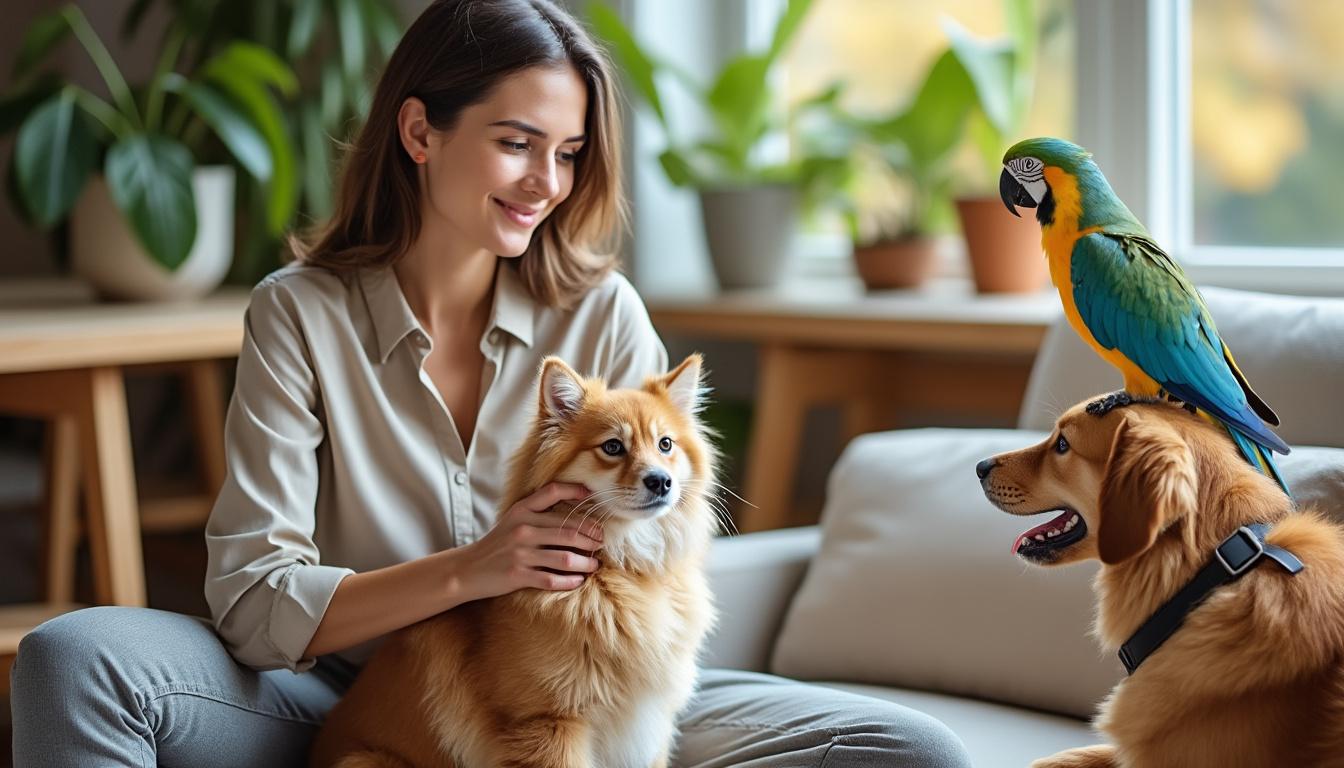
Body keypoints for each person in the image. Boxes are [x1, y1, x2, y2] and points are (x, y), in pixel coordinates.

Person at [9, 1, 972, 766]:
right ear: (420, 132)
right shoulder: (299, 314)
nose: (546, 182)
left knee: (907, 750)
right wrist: (476, 568)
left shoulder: (603, 313)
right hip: (328, 698)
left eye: (568, 152)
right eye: (517, 142)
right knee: (73, 659)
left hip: (579, 694)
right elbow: (256, 607)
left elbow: (663, 541)